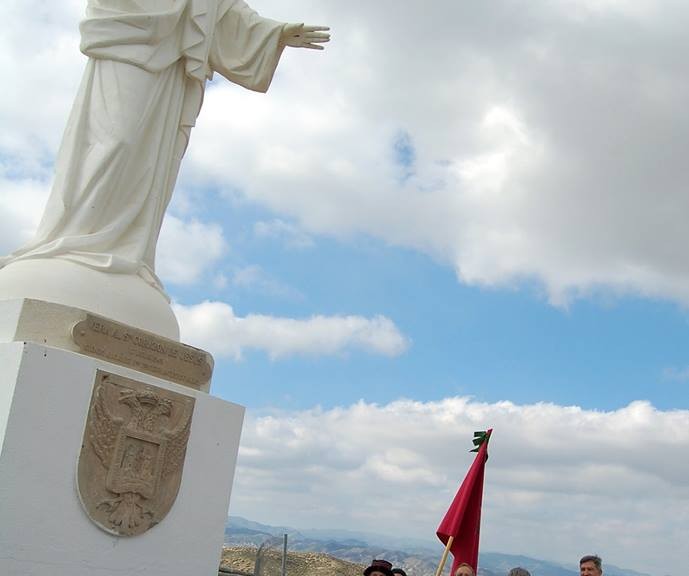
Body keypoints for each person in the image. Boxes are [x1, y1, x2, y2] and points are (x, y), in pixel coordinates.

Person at [0, 0, 329, 337]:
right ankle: (74, 240)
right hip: (131, 37)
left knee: (154, 160)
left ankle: (123, 250)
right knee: (113, 141)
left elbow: (217, 5)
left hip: (176, 60)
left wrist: (272, 32)